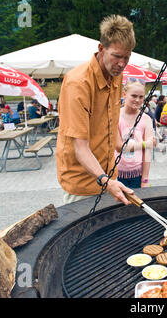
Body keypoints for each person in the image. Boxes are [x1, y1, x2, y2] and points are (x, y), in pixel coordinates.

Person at [56, 15, 136, 205]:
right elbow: (80, 147)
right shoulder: (78, 83)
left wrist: (123, 144)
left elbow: (110, 120)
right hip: (82, 183)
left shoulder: (116, 74)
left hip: (109, 177)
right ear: (101, 49)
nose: (122, 63)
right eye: (117, 56)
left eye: (127, 57)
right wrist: (105, 180)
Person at [115, 81, 156, 188]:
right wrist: (146, 143)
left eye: (141, 97)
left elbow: (147, 151)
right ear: (124, 94)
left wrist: (145, 179)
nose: (137, 100)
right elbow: (119, 147)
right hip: (116, 172)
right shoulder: (115, 116)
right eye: (133, 96)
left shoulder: (146, 119)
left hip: (137, 173)